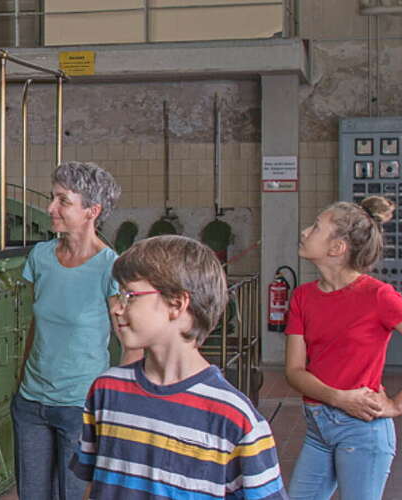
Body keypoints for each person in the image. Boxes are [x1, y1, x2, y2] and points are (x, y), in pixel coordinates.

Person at [70, 235, 286, 499]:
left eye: (130, 295)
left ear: (176, 304)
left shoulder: (235, 418)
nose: (117, 308)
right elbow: (93, 486)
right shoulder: (106, 391)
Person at [284, 196, 402, 500]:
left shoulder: (378, 296)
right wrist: (337, 397)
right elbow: (294, 372)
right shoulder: (302, 297)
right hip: (318, 428)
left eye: (316, 228)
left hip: (361, 431)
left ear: (337, 248)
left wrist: (398, 405)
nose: (305, 232)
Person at [15, 161, 138, 500]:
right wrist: (21, 382)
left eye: (62, 201)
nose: (50, 208)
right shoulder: (40, 257)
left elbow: (131, 343)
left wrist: (118, 405)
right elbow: (36, 325)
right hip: (30, 403)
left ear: (91, 211)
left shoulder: (111, 267)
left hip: (79, 406)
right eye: (52, 198)